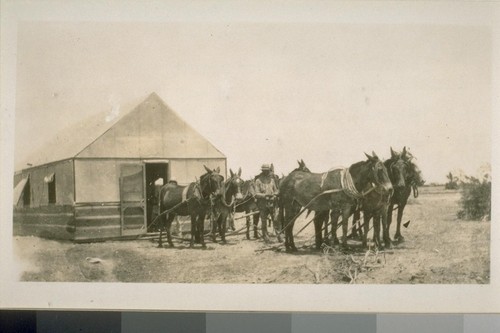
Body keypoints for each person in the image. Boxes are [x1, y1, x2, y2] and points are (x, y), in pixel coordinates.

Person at [253, 163, 279, 242]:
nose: (266, 172)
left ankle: (278, 234)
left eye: (267, 171)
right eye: (265, 171)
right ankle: (265, 235)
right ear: (262, 171)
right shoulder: (258, 181)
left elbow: (276, 190)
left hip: (272, 203)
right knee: (264, 220)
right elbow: (256, 193)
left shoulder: (272, 180)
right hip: (262, 204)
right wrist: (265, 195)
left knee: (275, 219)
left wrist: (275, 194)